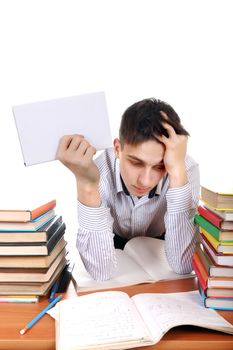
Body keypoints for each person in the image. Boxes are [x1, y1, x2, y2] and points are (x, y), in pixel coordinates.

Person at [56, 98, 200, 281]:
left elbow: (183, 265)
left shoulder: (184, 168)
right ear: (117, 148)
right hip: (112, 241)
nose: (146, 180)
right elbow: (102, 272)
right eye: (136, 163)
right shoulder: (98, 171)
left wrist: (177, 173)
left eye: (159, 166)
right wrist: (87, 184)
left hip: (164, 243)